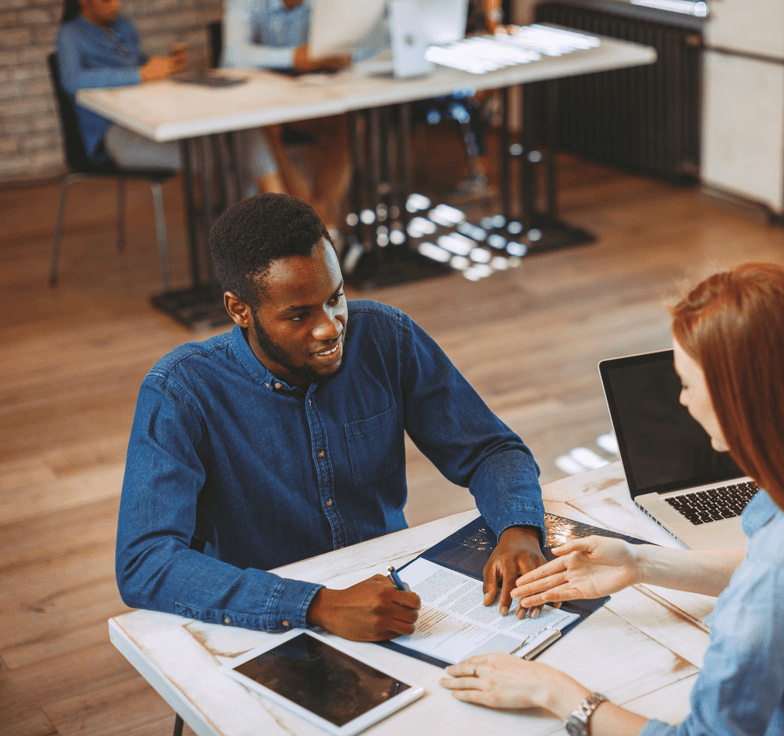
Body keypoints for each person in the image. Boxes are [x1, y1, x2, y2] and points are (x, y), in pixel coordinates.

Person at [441, 263, 784, 736]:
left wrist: (555, 691)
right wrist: (641, 564)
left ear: (740, 399)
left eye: (687, 382)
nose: (682, 400)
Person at [115, 193, 547, 641]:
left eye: (335, 297)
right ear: (239, 310)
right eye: (299, 315)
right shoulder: (181, 391)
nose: (329, 327)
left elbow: (491, 448)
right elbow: (145, 561)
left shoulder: (384, 337)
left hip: (392, 600)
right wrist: (317, 605)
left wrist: (518, 527)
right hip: (263, 623)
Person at [54, 0, 285, 193]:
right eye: (106, 0)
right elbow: (73, 80)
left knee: (244, 136)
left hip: (149, 119)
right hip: (113, 134)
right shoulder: (70, 34)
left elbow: (138, 65)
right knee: (218, 154)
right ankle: (242, 225)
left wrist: (159, 66)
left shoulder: (124, 25)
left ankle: (260, 221)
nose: (115, 4)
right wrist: (139, 74)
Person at [220, 0, 361, 241]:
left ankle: (315, 224)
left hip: (309, 101)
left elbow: (364, 41)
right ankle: (321, 228)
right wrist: (293, 58)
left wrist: (343, 53)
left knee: (353, 121)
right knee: (266, 127)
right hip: (262, 107)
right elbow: (232, 55)